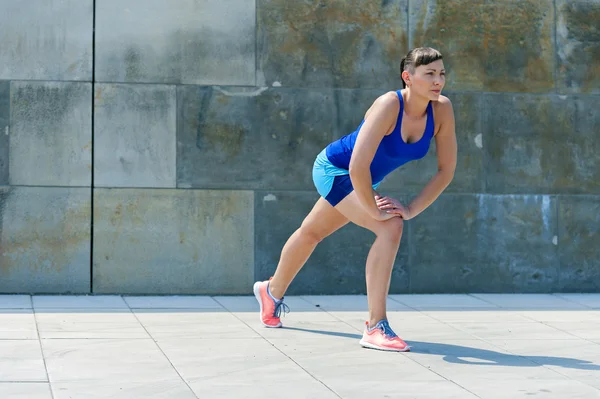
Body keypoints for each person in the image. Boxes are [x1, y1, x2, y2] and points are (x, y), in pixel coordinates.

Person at [253, 47, 457, 352]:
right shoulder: (389, 104)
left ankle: (271, 291)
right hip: (335, 168)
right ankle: (376, 327)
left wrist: (412, 209)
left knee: (312, 233)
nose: (438, 80)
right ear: (408, 77)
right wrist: (374, 210)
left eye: (441, 73)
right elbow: (356, 165)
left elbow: (446, 171)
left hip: (361, 178)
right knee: (390, 227)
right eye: (429, 74)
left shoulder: (441, 110)